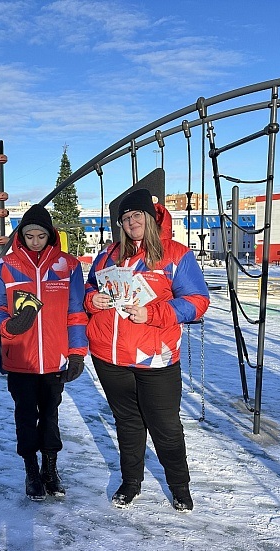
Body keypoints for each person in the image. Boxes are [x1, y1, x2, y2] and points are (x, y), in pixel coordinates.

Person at [84, 188, 210, 512]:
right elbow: (88, 288)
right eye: (125, 218)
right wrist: (90, 300)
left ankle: (179, 487)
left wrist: (154, 313)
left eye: (136, 215)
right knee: (127, 422)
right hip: (108, 356)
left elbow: (197, 301)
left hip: (155, 356)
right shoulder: (108, 255)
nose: (131, 222)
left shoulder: (175, 255)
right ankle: (131, 483)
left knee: (165, 426)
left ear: (150, 217)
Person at [0, 204, 88, 501]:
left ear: (50, 235)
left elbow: (76, 311)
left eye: (40, 235)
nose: (34, 241)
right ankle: (31, 469)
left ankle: (50, 469)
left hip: (55, 358)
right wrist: (8, 324)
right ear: (21, 235)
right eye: (29, 235)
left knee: (51, 416)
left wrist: (77, 352)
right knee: (26, 417)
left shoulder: (68, 266)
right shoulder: (5, 266)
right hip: (21, 359)